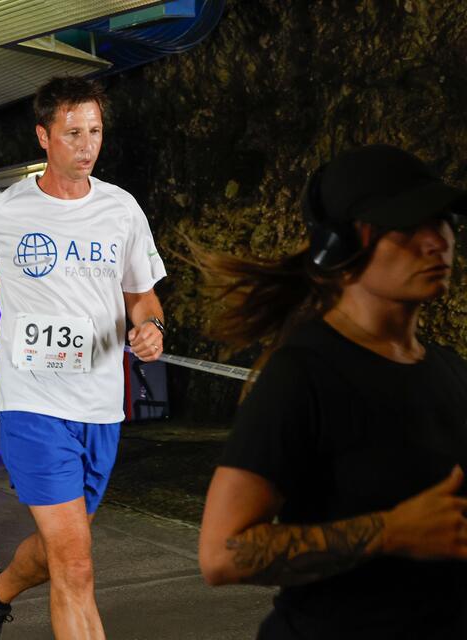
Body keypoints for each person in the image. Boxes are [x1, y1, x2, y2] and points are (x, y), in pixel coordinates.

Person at [196, 144, 467, 638]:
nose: (437, 242)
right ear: (341, 244)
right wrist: (392, 532)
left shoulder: (450, 370)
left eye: (443, 221)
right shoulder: (303, 374)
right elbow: (221, 554)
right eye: (408, 227)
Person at [0, 77, 167, 639]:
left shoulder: (122, 209)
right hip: (33, 406)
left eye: (94, 132)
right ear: (44, 136)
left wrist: (151, 327)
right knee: (77, 567)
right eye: (72, 133)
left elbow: (141, 293)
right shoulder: (5, 210)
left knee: (57, 552)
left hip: (101, 409)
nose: (87, 145)